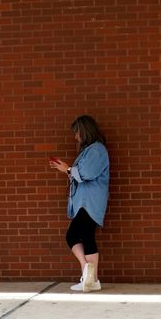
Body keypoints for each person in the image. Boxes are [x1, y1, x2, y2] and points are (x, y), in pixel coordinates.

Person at [50, 116, 110, 292]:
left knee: (76, 235)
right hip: (84, 201)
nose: (76, 137)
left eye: (77, 132)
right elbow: (80, 174)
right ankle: (92, 278)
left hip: (89, 201)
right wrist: (66, 169)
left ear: (85, 131)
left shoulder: (97, 150)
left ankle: (88, 273)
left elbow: (87, 174)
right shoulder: (90, 150)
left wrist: (67, 169)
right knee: (82, 235)